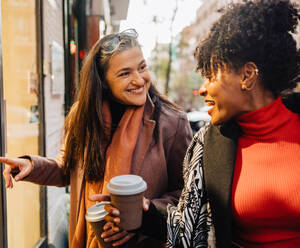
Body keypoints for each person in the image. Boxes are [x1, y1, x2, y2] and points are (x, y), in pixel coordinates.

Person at [100, 1, 300, 247]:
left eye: (211, 76)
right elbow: (190, 227)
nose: (203, 88)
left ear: (247, 75)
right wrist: (146, 212)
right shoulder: (207, 145)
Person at [0, 28, 192, 248]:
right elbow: (66, 168)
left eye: (142, 67)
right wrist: (32, 165)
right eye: (125, 73)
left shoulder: (172, 122)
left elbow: (187, 195)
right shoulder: (83, 117)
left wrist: (142, 218)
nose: (139, 80)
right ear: (104, 82)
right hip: (88, 239)